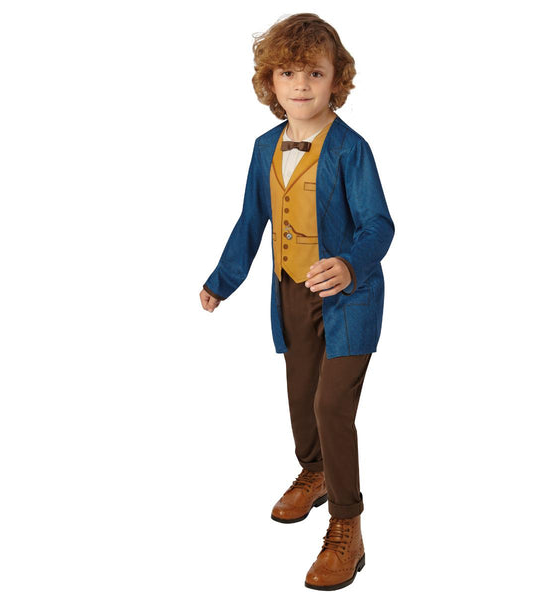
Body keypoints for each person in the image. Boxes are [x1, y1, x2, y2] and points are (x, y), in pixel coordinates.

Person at [200, 13, 394, 591]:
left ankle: (347, 525)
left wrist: (351, 263)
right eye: (288, 73)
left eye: (314, 72)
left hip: (348, 297)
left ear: (337, 79)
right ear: (271, 82)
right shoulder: (264, 148)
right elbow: (251, 221)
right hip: (290, 291)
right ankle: (314, 473)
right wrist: (222, 280)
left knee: (332, 406)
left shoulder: (351, 148)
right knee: (300, 398)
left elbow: (379, 225)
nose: (301, 85)